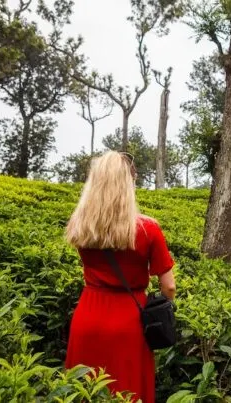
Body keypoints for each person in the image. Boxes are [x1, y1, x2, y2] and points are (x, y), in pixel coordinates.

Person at [63, 150, 176, 403]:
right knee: (126, 391)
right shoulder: (148, 229)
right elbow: (168, 287)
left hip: (88, 317)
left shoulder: (81, 224)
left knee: (83, 390)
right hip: (129, 323)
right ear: (129, 183)